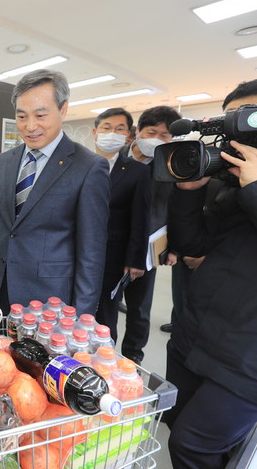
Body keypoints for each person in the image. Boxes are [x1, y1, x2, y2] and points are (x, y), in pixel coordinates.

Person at [166, 78, 257, 468]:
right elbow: (192, 245)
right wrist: (190, 190)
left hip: (252, 359)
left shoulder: (255, 184)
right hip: (195, 336)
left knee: (192, 444)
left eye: (250, 119)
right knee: (175, 421)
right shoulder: (232, 184)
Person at [0, 69, 110, 316]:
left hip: (51, 300)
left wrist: (82, 316)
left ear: (63, 109)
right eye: (22, 116)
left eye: (41, 115)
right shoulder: (2, 162)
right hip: (0, 289)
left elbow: (91, 252)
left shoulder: (88, 167)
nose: (30, 126)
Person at [117, 105, 180, 363]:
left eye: (164, 135)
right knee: (101, 305)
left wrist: (173, 247)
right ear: (138, 132)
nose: (157, 139)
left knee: (140, 310)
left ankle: (132, 359)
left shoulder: (171, 168)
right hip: (110, 244)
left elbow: (175, 210)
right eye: (151, 132)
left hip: (146, 249)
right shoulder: (113, 158)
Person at [91, 108, 150, 341]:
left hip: (112, 255)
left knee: (105, 311)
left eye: (119, 129)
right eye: (106, 127)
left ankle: (105, 361)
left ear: (128, 136)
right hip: (74, 250)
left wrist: (135, 259)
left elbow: (141, 217)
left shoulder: (137, 171)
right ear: (95, 132)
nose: (111, 133)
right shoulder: (78, 165)